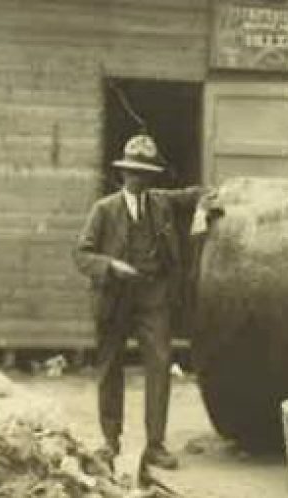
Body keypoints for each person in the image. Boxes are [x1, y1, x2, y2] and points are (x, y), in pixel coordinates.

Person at [72, 134, 215, 471]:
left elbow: (202, 193)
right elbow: (81, 254)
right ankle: (110, 443)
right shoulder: (104, 210)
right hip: (114, 298)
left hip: (154, 298)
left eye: (146, 173)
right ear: (123, 175)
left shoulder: (163, 202)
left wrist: (205, 211)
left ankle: (155, 445)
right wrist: (110, 265)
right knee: (109, 369)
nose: (140, 179)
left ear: (153, 176)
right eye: (134, 173)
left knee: (160, 367)